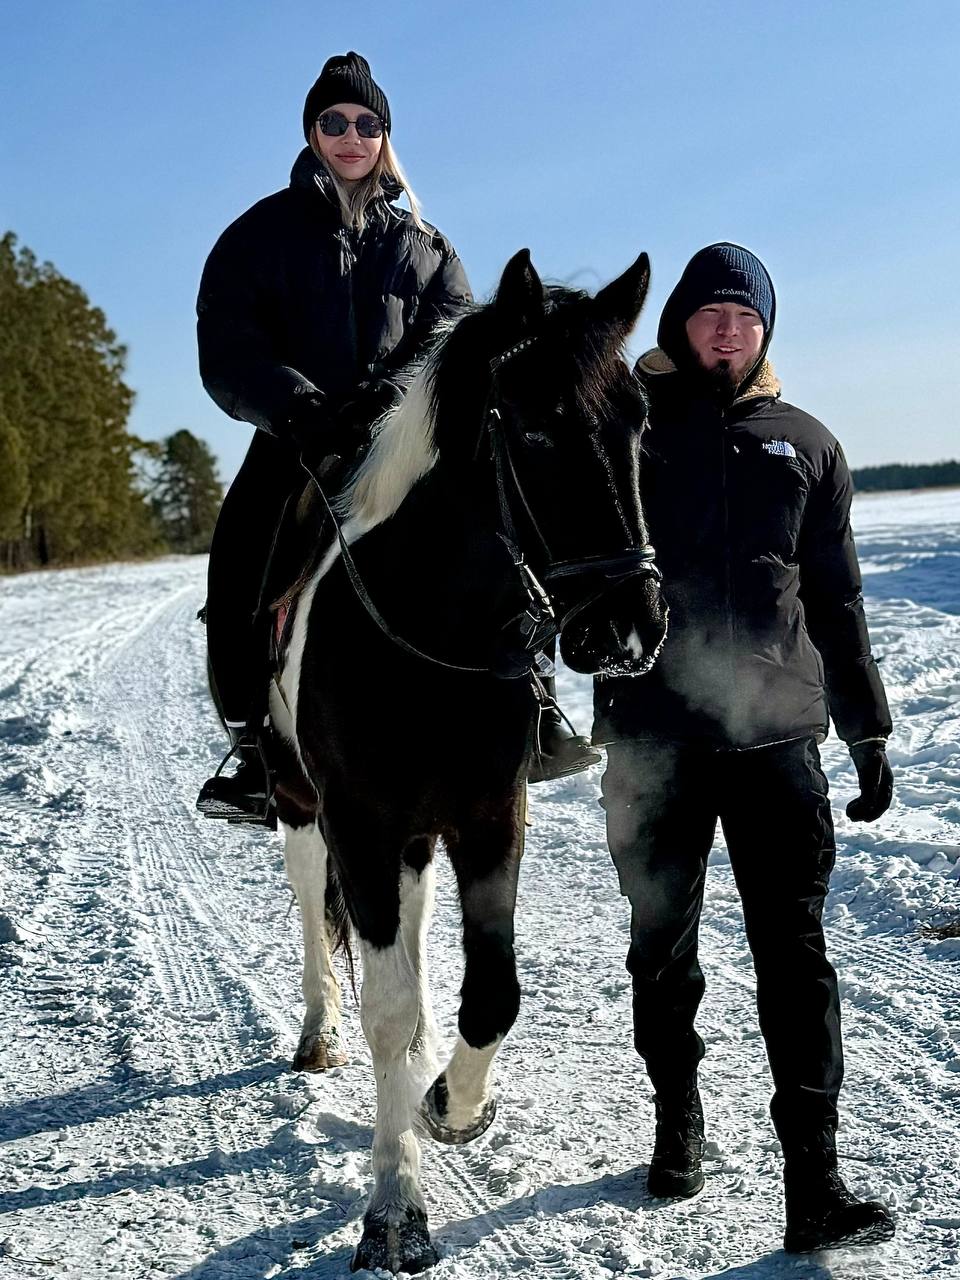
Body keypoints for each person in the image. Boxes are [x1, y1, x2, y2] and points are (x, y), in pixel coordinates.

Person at [194, 53, 594, 822]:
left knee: (507, 533)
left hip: (407, 444)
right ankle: (253, 748)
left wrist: (392, 392)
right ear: (312, 132)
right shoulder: (256, 236)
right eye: (335, 122)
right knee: (240, 556)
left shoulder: (426, 245)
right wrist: (303, 408)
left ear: (385, 136)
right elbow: (229, 350)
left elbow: (457, 337)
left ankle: (536, 707)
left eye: (367, 124)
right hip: (298, 443)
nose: (352, 136)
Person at [594, 243, 896, 1253]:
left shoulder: (805, 442)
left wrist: (868, 725)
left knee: (795, 955)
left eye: (747, 313)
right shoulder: (624, 430)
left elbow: (837, 599)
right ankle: (677, 1120)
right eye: (711, 310)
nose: (729, 327)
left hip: (777, 739)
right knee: (660, 945)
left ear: (766, 329)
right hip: (653, 737)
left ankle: (815, 1177)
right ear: (679, 321)